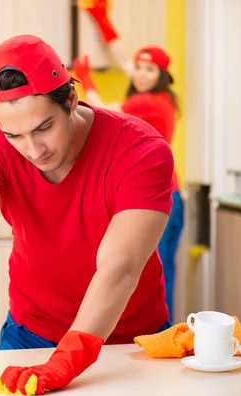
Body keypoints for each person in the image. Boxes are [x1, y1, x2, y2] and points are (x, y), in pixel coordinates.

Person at [0, 33, 175, 396]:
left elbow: (120, 265)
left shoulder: (140, 149)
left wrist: (69, 357)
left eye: (44, 128)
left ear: (71, 98)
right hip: (31, 335)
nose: (33, 149)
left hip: (132, 344)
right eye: (15, 136)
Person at [73, 0, 183, 322]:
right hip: (164, 196)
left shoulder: (151, 103)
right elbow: (124, 58)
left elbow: (104, 112)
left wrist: (86, 82)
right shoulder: (148, 93)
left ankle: (161, 334)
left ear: (162, 76)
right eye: (140, 67)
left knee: (157, 276)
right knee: (156, 272)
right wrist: (102, 20)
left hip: (163, 199)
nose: (141, 74)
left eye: (151, 70)